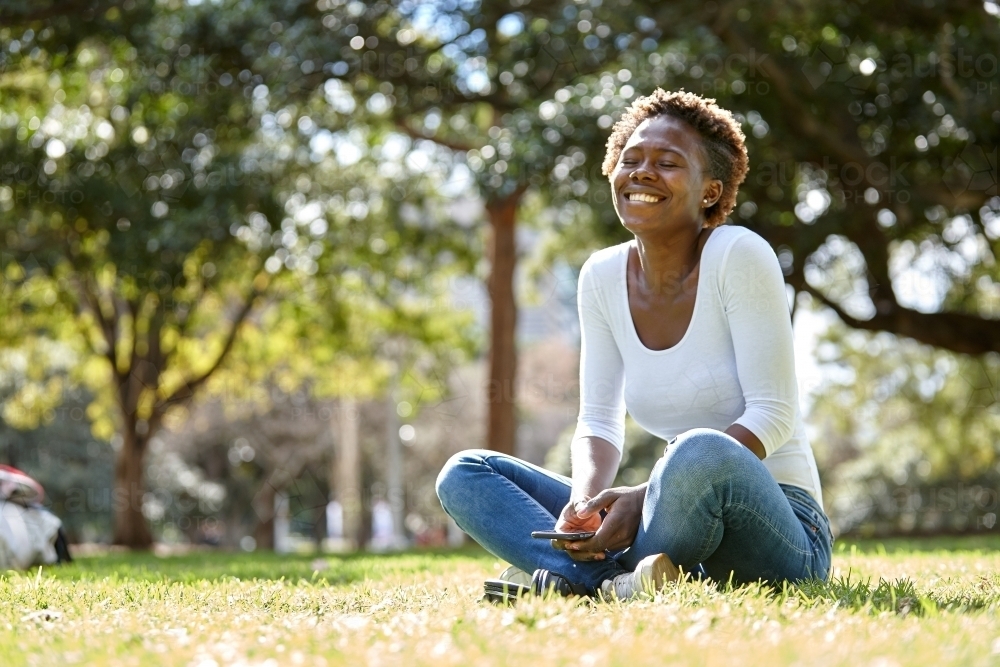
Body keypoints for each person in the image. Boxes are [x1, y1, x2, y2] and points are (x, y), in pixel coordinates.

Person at [436, 89, 832, 600]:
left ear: (710, 191)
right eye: (631, 160)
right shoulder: (600, 275)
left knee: (699, 451)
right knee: (466, 472)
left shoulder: (739, 254)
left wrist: (644, 495)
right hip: (669, 527)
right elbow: (598, 421)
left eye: (667, 163)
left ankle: (566, 581)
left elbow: (774, 412)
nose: (642, 173)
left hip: (781, 529)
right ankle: (613, 584)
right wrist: (584, 505)